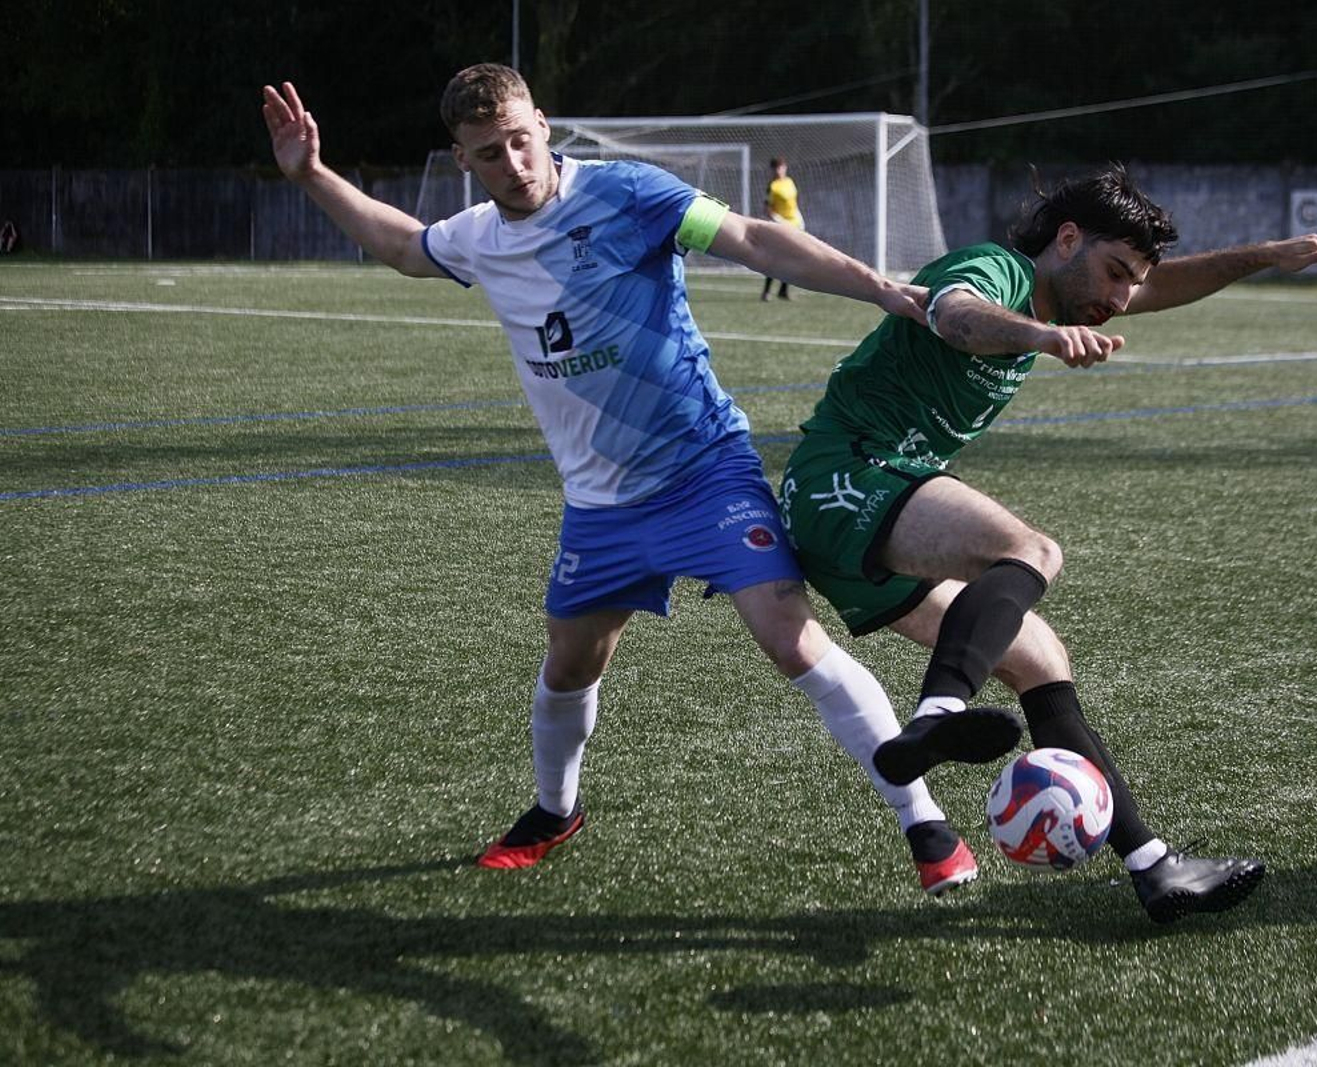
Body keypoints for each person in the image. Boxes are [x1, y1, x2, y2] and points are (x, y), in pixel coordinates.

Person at [260, 64, 1012, 895]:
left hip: (705, 471)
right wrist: (313, 175)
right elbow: (404, 244)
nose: (513, 163)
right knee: (570, 663)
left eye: (520, 140)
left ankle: (925, 822)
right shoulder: (477, 236)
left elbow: (756, 240)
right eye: (489, 152)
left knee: (791, 637)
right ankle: (556, 810)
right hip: (600, 506)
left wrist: (878, 288)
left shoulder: (626, 193)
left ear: (543, 126)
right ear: (463, 159)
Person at [777, 163, 1317, 923]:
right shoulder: (996, 270)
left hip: (872, 503)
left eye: (1130, 283)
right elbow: (954, 316)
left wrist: (1267, 256)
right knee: (1031, 551)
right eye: (1115, 273)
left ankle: (1156, 869)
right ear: (1066, 239)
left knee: (1042, 660)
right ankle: (935, 717)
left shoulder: (1081, 286)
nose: (1121, 298)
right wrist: (1047, 337)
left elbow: (1166, 286)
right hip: (845, 475)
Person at [760, 157, 803, 302]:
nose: (779, 170)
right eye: (776, 168)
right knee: (776, 258)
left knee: (791, 258)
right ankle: (766, 292)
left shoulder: (790, 182)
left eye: (782, 167)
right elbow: (767, 209)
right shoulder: (772, 186)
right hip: (781, 225)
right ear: (772, 170)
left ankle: (783, 291)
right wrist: (780, 221)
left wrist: (799, 219)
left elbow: (793, 203)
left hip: (795, 224)